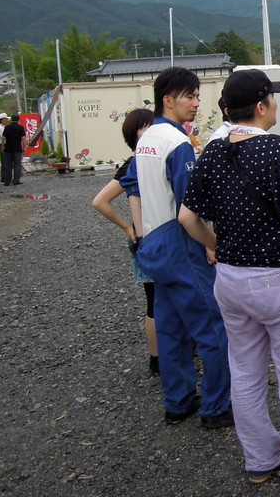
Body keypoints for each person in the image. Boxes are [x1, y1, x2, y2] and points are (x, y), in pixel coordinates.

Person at [179, 69, 280, 495]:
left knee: (246, 371)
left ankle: (261, 459)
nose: (275, 104)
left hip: (231, 280)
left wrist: (215, 245)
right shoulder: (277, 148)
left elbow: (186, 218)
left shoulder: (211, 153)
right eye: (272, 98)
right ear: (260, 106)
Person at [125, 67, 233, 427]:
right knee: (212, 327)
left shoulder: (146, 138)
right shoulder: (178, 142)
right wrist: (212, 243)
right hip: (180, 242)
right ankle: (217, 407)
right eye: (189, 96)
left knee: (171, 328)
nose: (196, 103)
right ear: (168, 100)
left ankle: (178, 401)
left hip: (153, 242)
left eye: (198, 96)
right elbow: (191, 208)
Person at [91, 108, 159, 376]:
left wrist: (127, 227)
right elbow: (98, 202)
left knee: (153, 301)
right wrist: (126, 226)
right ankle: (163, 356)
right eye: (148, 127)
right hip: (158, 240)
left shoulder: (131, 163)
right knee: (158, 302)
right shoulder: (143, 163)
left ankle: (157, 359)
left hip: (142, 241)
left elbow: (100, 202)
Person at [0, 114, 27, 186]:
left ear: (11, 119)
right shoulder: (20, 127)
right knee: (17, 164)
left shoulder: (7, 127)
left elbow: (3, 138)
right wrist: (24, 147)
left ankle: (7, 181)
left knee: (7, 164)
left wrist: (3, 146)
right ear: (18, 120)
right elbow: (23, 138)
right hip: (17, 148)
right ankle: (16, 180)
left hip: (8, 148)